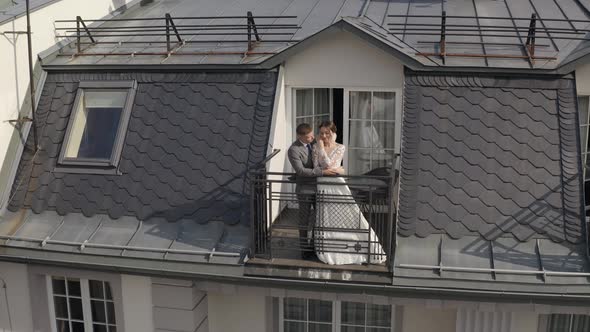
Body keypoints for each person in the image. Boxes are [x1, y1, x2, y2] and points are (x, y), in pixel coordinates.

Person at [312, 121, 386, 265]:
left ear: (333, 133)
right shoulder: (315, 147)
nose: (324, 136)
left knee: (348, 214)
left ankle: (362, 247)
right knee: (326, 217)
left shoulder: (340, 147)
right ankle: (328, 248)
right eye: (321, 133)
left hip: (337, 185)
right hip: (322, 184)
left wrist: (326, 158)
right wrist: (333, 166)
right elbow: (317, 168)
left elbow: (327, 165)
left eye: (327, 133)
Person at [287, 123, 338, 259]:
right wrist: (322, 172)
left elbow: (329, 143)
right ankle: (304, 249)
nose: (312, 138)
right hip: (304, 189)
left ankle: (315, 246)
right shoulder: (293, 150)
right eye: (308, 137)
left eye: (312, 135)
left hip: (320, 188)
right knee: (304, 220)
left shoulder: (315, 142)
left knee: (319, 218)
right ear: (300, 136)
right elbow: (301, 171)